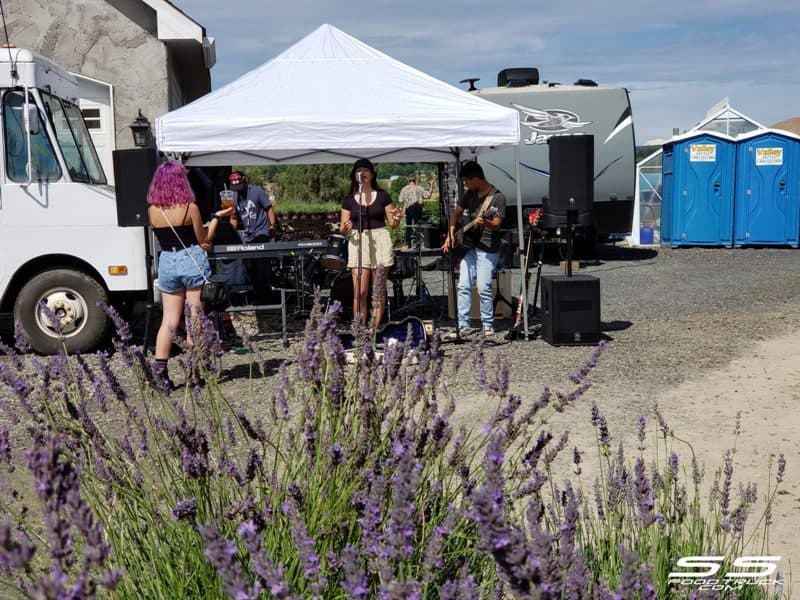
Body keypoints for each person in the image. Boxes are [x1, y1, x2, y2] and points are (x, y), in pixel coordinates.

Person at [148, 161, 234, 389]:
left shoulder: (153, 210)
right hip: (190, 260)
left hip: (167, 260)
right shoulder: (190, 208)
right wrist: (215, 219)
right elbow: (204, 240)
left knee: (169, 319)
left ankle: (160, 371)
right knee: (195, 317)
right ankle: (193, 371)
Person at [442, 160, 506, 338]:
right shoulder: (469, 194)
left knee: (484, 285)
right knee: (463, 285)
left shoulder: (498, 197)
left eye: (466, 181)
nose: (465, 184)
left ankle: (487, 324)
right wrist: (451, 234)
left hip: (487, 247)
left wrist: (485, 221)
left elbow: (497, 224)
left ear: (476, 178)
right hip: (468, 246)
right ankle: (464, 324)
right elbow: (455, 214)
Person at [340, 158, 403, 329]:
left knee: (378, 289)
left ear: (372, 174)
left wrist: (397, 218)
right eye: (358, 170)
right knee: (360, 291)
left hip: (380, 239)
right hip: (358, 241)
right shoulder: (349, 200)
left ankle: (373, 330)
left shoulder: (383, 196)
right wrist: (345, 228)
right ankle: (359, 329)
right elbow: (342, 228)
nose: (362, 173)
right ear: (354, 176)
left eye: (365, 170)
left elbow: (393, 224)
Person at [227, 170, 278, 307]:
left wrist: (272, 225)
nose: (237, 190)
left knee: (262, 267)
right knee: (250, 268)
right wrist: (232, 233)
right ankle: (257, 296)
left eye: (239, 186)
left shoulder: (256, 191)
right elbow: (233, 217)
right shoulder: (234, 196)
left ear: (245, 181)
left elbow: (269, 208)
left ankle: (266, 299)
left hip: (261, 233)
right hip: (247, 236)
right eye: (235, 187)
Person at [398, 173, 434, 247]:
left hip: (408, 210)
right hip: (417, 209)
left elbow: (400, 200)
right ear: (415, 180)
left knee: (408, 227)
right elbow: (428, 196)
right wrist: (431, 186)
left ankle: (408, 244)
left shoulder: (404, 189)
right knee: (417, 227)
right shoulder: (419, 188)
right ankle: (418, 244)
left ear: (408, 180)